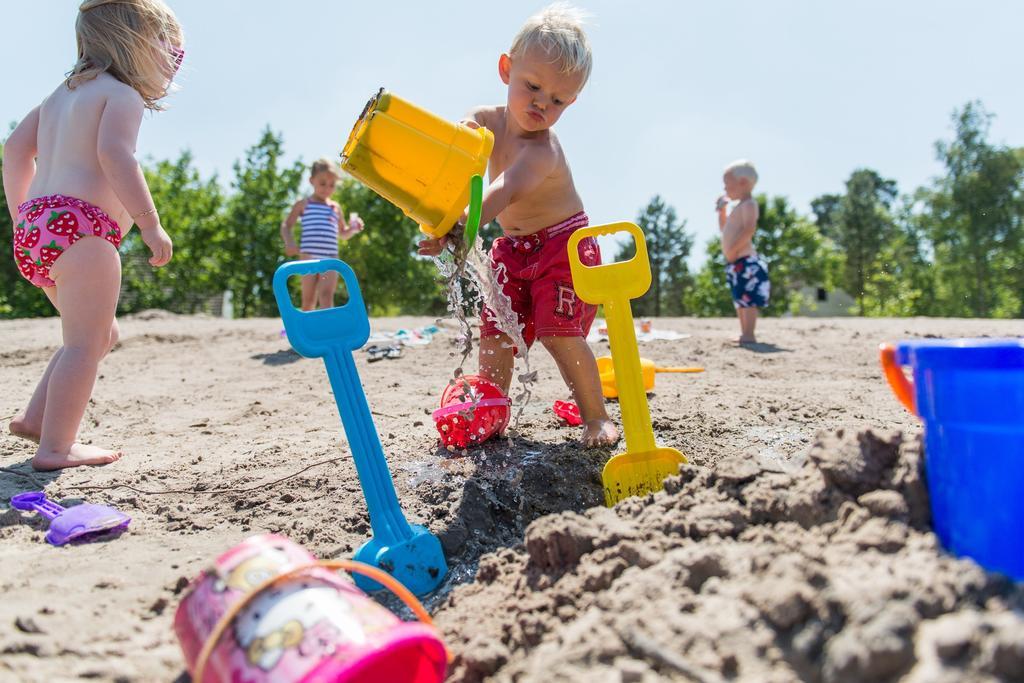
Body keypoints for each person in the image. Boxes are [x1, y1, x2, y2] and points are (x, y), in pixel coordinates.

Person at [418, 3, 618, 447]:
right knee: (496, 330)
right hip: (513, 246)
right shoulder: (486, 120)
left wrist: (456, 227)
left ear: (572, 102)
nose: (541, 104)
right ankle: (493, 410)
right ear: (506, 69)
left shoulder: (542, 151)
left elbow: (502, 192)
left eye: (558, 101)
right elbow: (461, 162)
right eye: (532, 86)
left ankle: (596, 418)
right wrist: (439, 222)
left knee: (557, 333)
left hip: (565, 246)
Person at [3, 0, 184, 471]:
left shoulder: (57, 98)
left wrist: (23, 215)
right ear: (136, 44)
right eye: (166, 46)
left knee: (96, 335)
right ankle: (57, 448)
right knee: (85, 343)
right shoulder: (121, 96)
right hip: (83, 233)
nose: (172, 58)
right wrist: (150, 222)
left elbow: (16, 152)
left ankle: (36, 419)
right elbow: (116, 155)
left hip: (38, 233)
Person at [280, 159, 364, 311]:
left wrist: (354, 228)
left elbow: (343, 234)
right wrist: (289, 242)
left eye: (332, 185)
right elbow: (286, 225)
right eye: (323, 183)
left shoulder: (335, 207)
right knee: (308, 300)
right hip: (308, 256)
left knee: (326, 297)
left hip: (331, 257)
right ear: (312, 180)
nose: (327, 188)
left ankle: (327, 331)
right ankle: (309, 331)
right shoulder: (304, 203)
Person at [717, 159, 770, 344]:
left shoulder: (749, 204)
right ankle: (743, 332)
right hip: (735, 261)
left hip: (746, 260)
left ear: (743, 183)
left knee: (749, 299)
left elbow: (749, 230)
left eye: (727, 185)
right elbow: (724, 230)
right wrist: (721, 212)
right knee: (739, 298)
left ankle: (749, 333)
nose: (725, 189)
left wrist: (732, 250)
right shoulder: (736, 208)